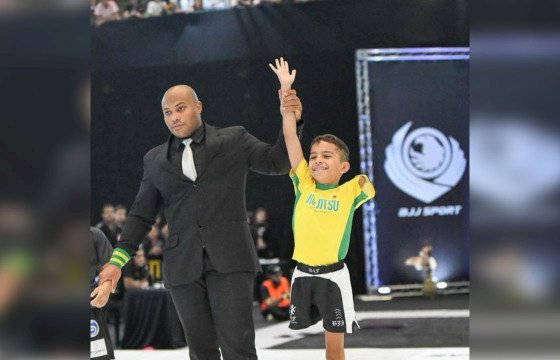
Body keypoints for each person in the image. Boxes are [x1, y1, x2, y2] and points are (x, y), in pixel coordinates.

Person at [94, 83, 303, 359]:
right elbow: (141, 215)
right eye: (167, 112)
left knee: (238, 348)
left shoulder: (233, 139)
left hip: (231, 259)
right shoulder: (155, 159)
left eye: (180, 109)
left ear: (198, 106)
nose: (174, 117)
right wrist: (116, 262)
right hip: (182, 267)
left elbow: (278, 162)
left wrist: (291, 120)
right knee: (201, 352)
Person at [269, 58, 375, 360]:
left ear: (343, 166)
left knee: (334, 347)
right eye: (314, 155)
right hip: (302, 274)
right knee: (307, 338)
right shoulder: (303, 182)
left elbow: (368, 184)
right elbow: (291, 137)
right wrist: (286, 93)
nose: (316, 160)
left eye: (326, 156)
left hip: (333, 278)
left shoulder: (350, 190)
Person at [90, 227, 115, 360]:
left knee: (97, 355)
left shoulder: (94, 234)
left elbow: (112, 265)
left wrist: (106, 286)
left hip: (89, 305)